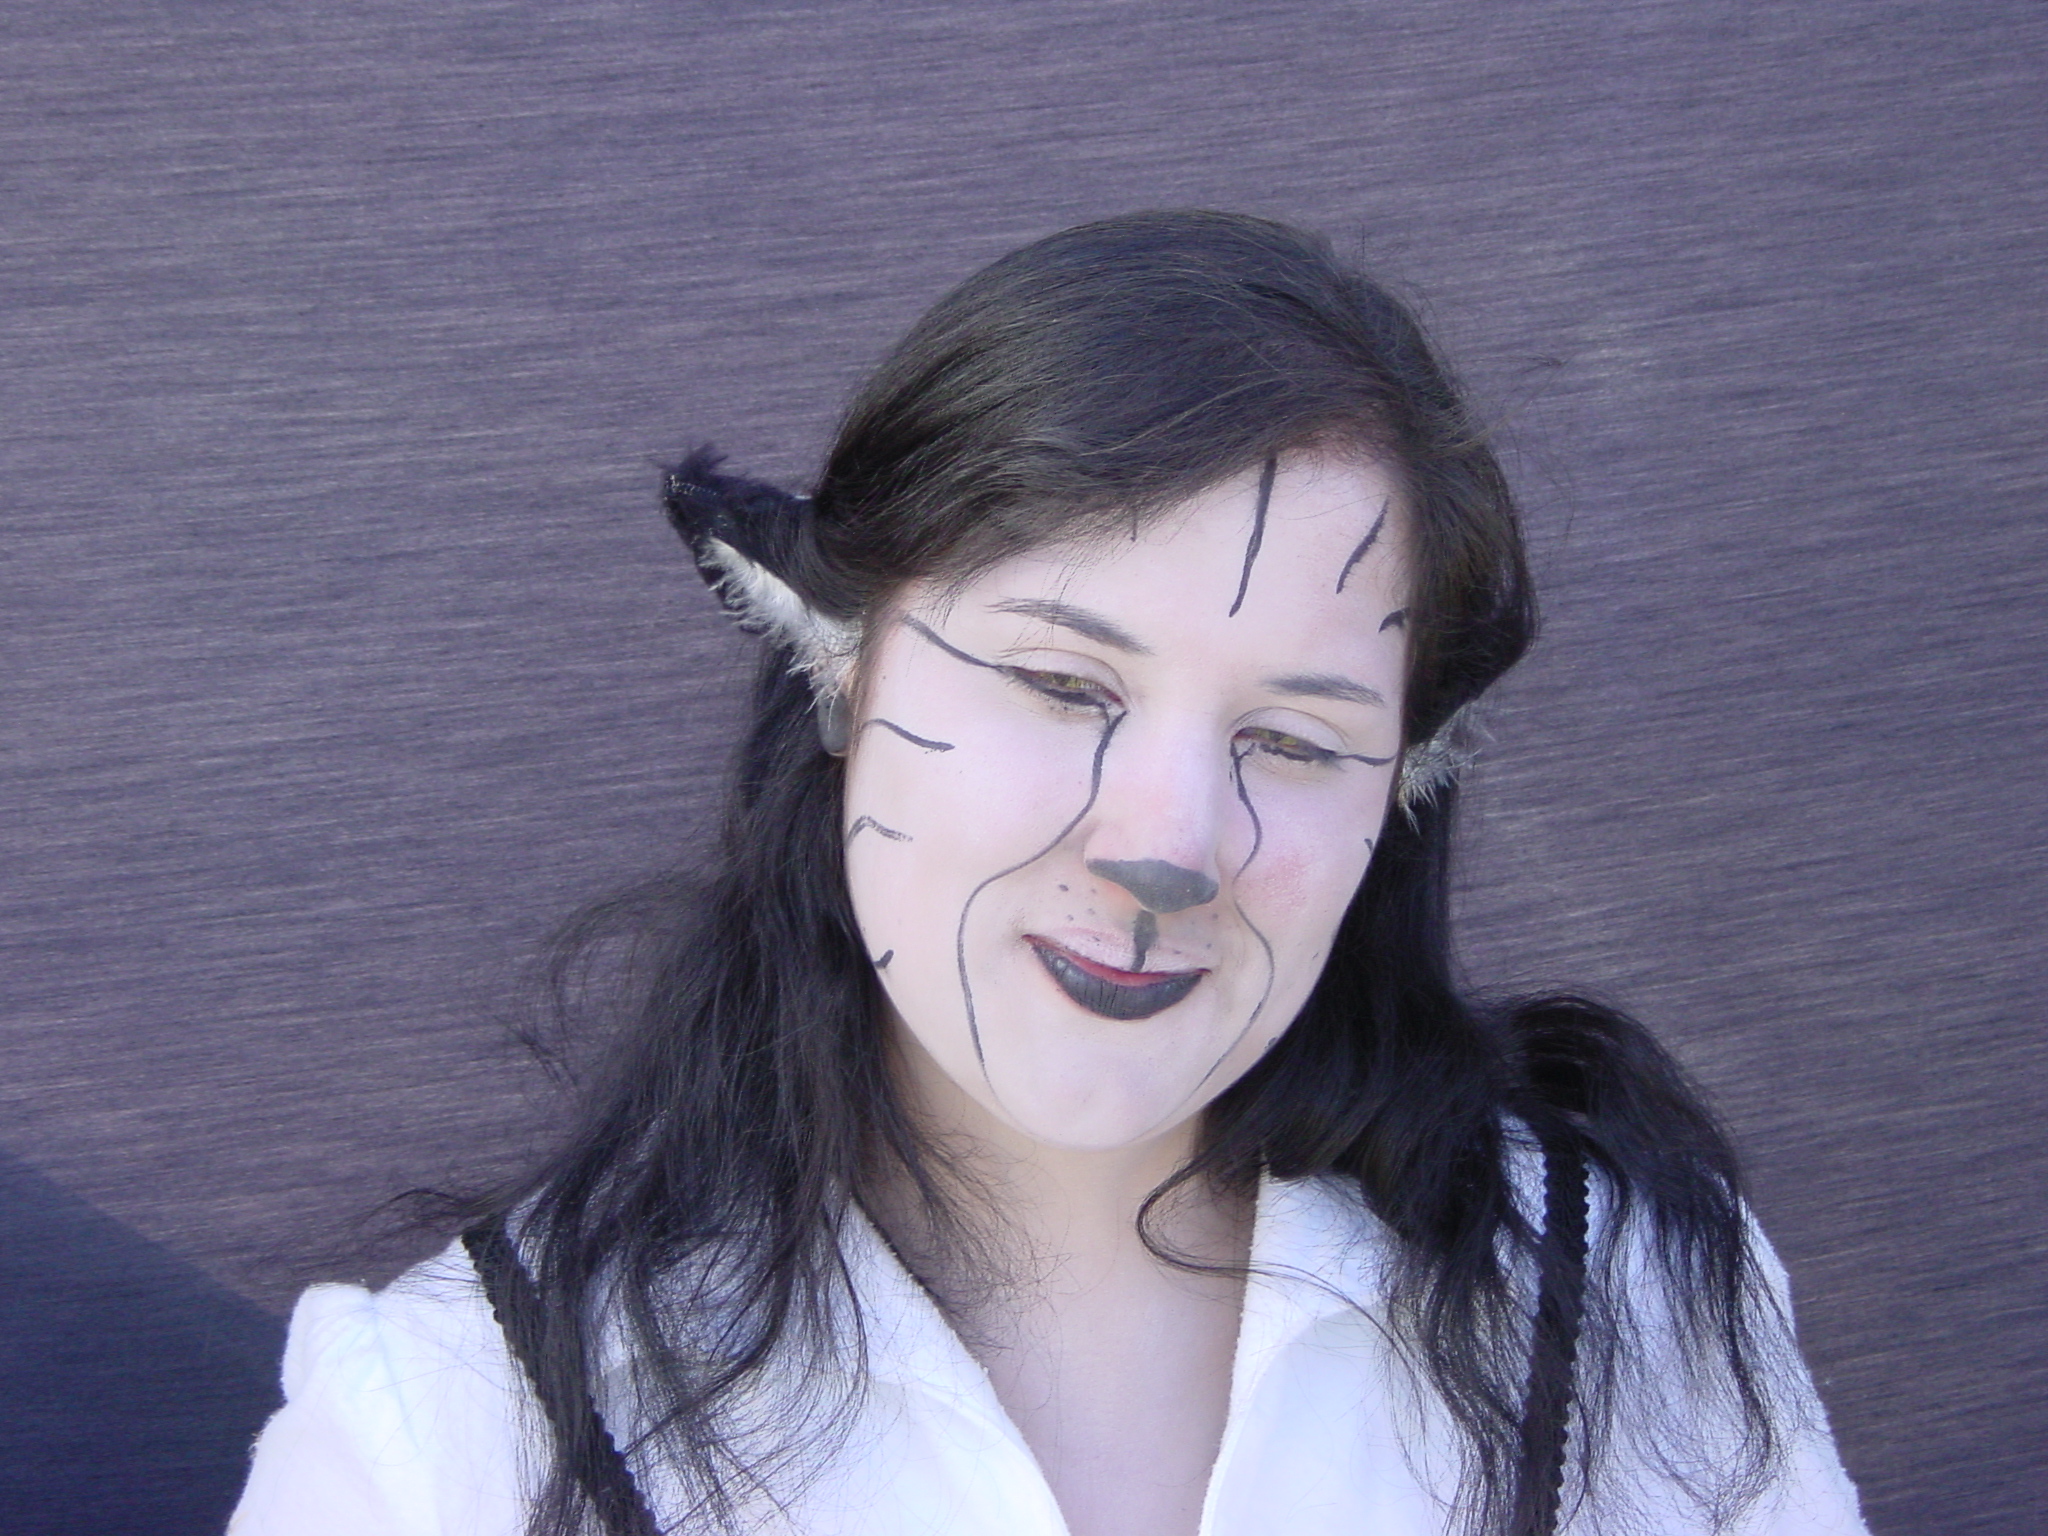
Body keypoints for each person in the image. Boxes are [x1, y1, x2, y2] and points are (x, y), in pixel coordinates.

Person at [228, 211, 1868, 1536]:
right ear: (839, 671)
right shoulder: (444, 1440)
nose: (1167, 849)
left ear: (1404, 785)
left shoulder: (1636, 1311)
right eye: (1061, 684)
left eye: (1294, 739)